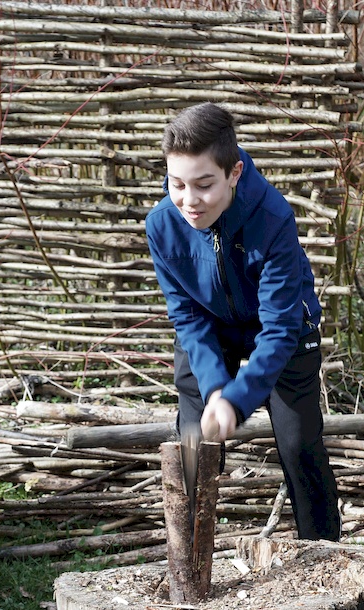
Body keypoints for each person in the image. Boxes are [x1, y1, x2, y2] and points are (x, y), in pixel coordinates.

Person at [145, 103, 340, 541]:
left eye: (204, 185)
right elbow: (186, 315)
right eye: (177, 184)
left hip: (284, 330)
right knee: (193, 445)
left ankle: (327, 559)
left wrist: (235, 401)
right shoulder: (161, 225)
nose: (189, 201)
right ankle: (189, 562)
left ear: (233, 173)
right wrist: (215, 386)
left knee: (299, 446)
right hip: (209, 334)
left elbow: (280, 328)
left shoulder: (272, 217)